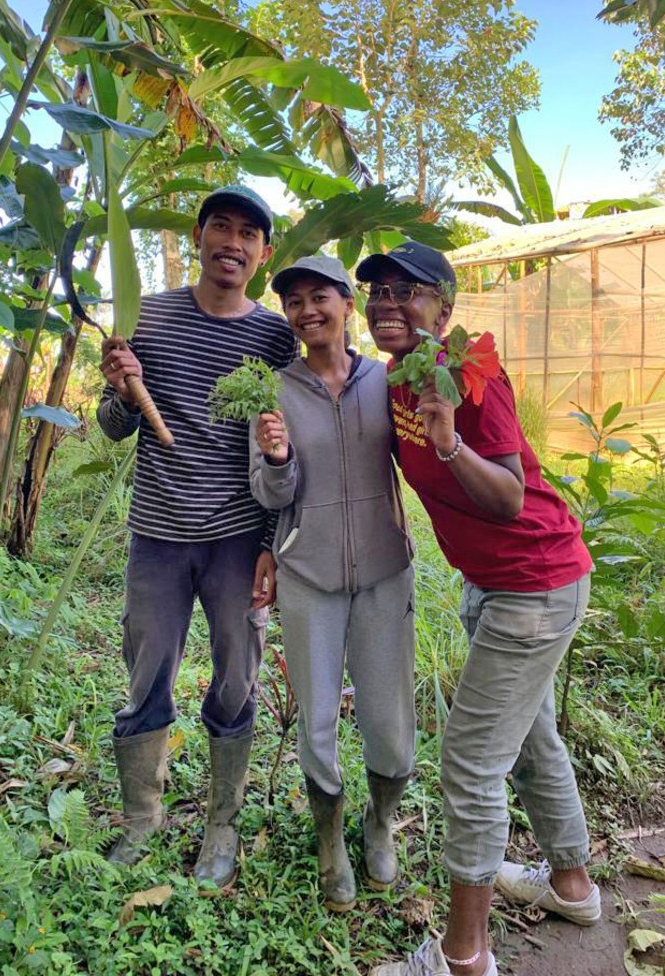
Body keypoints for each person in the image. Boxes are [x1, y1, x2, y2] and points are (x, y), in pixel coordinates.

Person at [357, 242, 599, 976]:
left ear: (446, 309)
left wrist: (450, 441)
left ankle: (464, 958)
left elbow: (508, 498)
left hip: (535, 580)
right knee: (532, 739)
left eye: (408, 291)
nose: (387, 304)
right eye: (377, 293)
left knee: (469, 761)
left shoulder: (469, 379)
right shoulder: (396, 378)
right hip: (494, 584)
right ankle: (571, 887)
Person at [97, 185, 297, 889]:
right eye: (221, 227)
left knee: (237, 678)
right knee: (145, 675)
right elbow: (115, 427)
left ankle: (222, 823)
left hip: (238, 540)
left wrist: (274, 540)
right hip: (157, 535)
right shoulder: (146, 318)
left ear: (263, 254)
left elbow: (282, 445)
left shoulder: (275, 337)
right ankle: (141, 822)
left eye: (248, 234)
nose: (232, 244)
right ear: (200, 234)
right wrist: (122, 393)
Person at [249, 254, 416, 912]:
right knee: (316, 723)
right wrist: (278, 456)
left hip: (383, 573)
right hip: (309, 574)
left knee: (392, 724)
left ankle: (379, 823)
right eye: (294, 302)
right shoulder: (273, 390)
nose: (307, 310)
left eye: (320, 296)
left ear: (348, 305)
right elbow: (267, 493)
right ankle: (330, 841)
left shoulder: (387, 382)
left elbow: (423, 458)